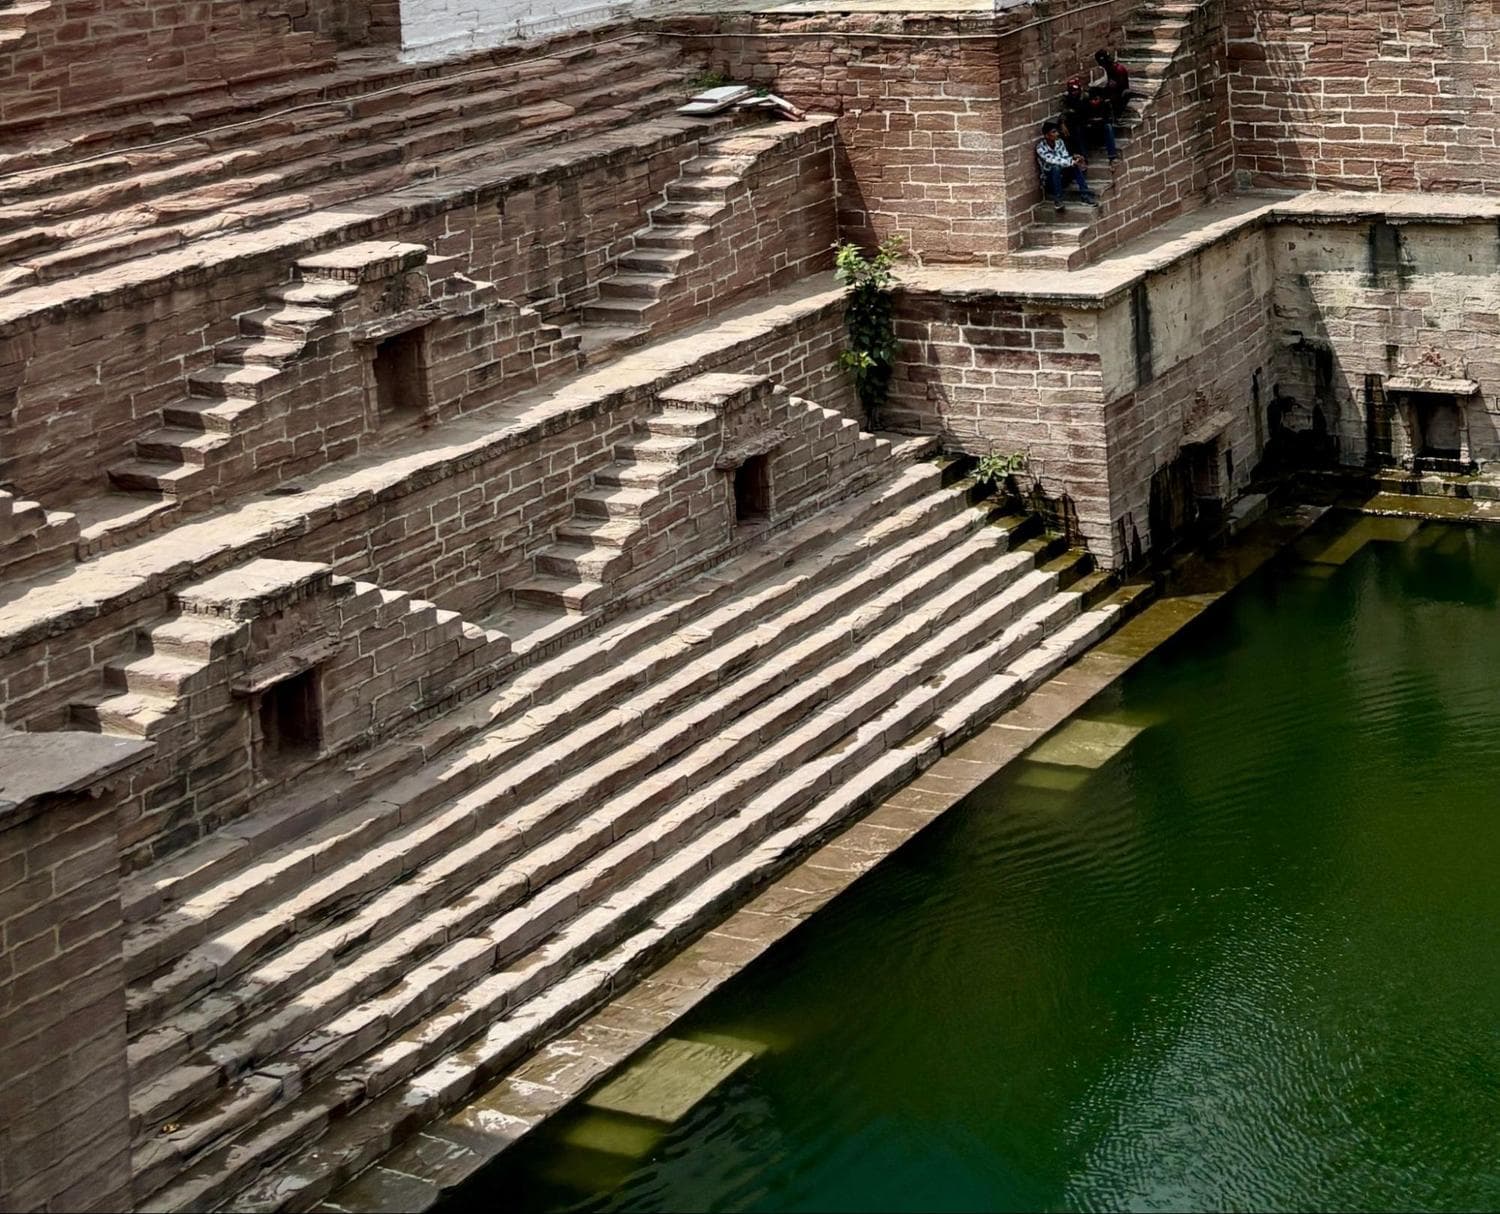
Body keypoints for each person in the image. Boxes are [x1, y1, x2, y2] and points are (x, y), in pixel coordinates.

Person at [1036, 122, 1096, 213]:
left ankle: (1085, 195)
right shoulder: (1040, 148)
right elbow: (1052, 160)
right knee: (1055, 168)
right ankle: (1058, 200)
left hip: (1063, 176)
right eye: (1053, 132)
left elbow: (1064, 156)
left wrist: (1073, 159)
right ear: (1047, 135)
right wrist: (1070, 161)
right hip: (1050, 181)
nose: (1057, 134)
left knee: (1074, 165)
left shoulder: (1059, 142)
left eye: (1056, 131)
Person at [1062, 76, 1119, 162]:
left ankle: (1112, 156)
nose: (1094, 101)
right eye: (1072, 90)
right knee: (1078, 129)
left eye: (1096, 99)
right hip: (1087, 127)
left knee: (1108, 127)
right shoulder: (1080, 103)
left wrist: (1100, 120)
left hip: (1100, 129)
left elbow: (1109, 118)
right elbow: (1071, 114)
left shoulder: (1100, 103)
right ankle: (1084, 157)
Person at [1095, 49, 1132, 119]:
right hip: (1114, 91)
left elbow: (1117, 88)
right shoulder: (1110, 68)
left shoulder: (1118, 70)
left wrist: (1103, 99)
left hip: (1119, 95)